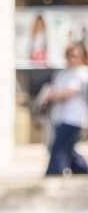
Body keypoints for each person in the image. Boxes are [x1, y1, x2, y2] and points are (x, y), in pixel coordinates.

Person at [38, 39, 88, 177]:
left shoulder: (82, 72)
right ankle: (83, 171)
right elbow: (52, 90)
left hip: (74, 118)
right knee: (68, 149)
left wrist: (53, 97)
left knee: (58, 148)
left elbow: (70, 92)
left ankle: (52, 174)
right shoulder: (63, 74)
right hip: (59, 117)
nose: (72, 59)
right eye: (70, 55)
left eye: (76, 55)